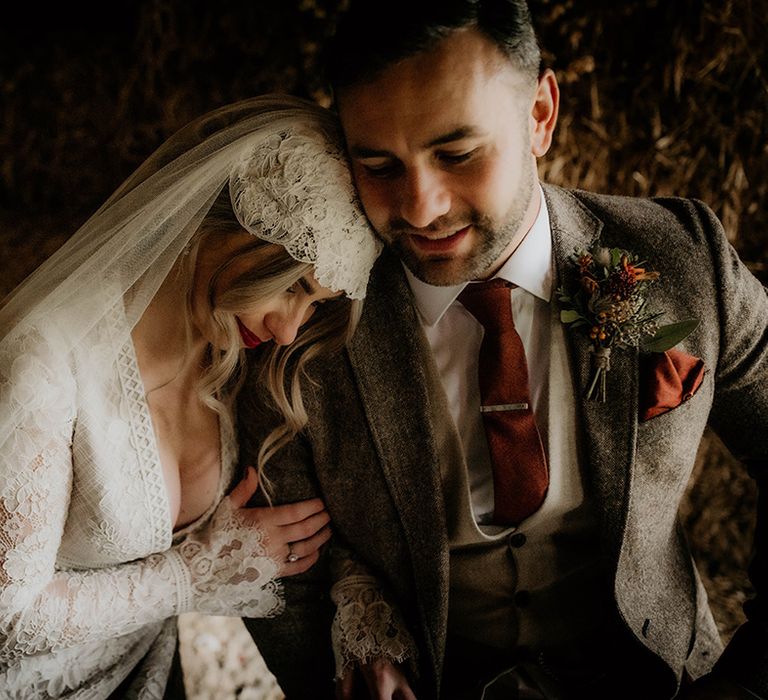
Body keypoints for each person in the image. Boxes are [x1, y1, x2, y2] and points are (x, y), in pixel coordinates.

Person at [238, 2, 768, 699]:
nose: (422, 208)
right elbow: (282, 570)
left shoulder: (682, 258)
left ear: (540, 115)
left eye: (457, 154)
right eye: (379, 165)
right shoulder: (303, 323)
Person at [0, 94, 384, 698]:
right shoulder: (46, 362)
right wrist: (191, 576)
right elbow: (8, 618)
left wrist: (361, 601)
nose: (290, 329)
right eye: (292, 288)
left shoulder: (234, 363)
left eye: (315, 307)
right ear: (228, 231)